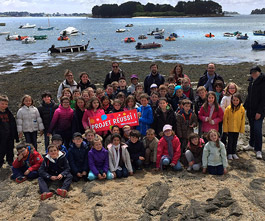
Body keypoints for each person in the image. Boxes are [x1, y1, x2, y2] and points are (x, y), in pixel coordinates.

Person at [243, 66, 265, 159]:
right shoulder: (251, 82)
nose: (253, 74)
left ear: (259, 72)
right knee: (252, 128)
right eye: (252, 73)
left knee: (257, 129)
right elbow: (249, 96)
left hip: (259, 111)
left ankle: (258, 149)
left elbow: (264, 99)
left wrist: (260, 112)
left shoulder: (263, 82)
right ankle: (251, 144)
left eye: (255, 72)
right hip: (250, 110)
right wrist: (244, 107)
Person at [223, 93, 245, 160]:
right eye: (234, 100)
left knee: (235, 141)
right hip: (230, 129)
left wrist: (241, 129)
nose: (235, 102)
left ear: (239, 100)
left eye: (237, 100)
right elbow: (225, 120)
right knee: (230, 141)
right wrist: (225, 129)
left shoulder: (242, 109)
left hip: (237, 128)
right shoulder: (228, 109)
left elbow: (243, 120)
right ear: (231, 100)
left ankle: (234, 152)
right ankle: (229, 153)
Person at [0, 95, 19, 168]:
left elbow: (13, 125)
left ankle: (10, 161)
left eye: (6, 104)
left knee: (10, 149)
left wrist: (16, 136)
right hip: (1, 136)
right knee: (1, 150)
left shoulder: (9, 113)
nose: (4, 106)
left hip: (9, 135)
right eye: (2, 104)